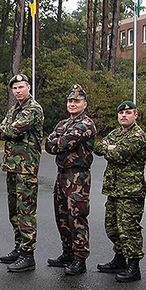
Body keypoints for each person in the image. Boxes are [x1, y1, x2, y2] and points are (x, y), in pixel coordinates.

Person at [93, 101, 146, 282]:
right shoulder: (116, 133)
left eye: (128, 113)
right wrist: (111, 147)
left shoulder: (138, 135)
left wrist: (112, 148)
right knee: (112, 227)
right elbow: (98, 147)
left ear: (135, 115)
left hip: (131, 190)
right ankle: (119, 259)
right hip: (114, 189)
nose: (124, 116)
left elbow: (121, 154)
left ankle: (134, 266)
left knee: (129, 228)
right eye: (121, 113)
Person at [44, 84, 96, 276]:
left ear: (85, 103)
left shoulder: (86, 124)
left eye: (76, 101)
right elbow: (49, 145)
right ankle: (67, 253)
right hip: (62, 174)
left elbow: (65, 142)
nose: (72, 104)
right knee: (62, 216)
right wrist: (58, 142)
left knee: (77, 217)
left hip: (78, 176)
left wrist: (58, 141)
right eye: (70, 101)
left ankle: (80, 258)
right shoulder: (62, 123)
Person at [0, 74, 44, 272]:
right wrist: (7, 129)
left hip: (26, 168)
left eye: (21, 87)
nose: (17, 91)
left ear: (29, 87)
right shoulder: (14, 109)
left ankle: (28, 254)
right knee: (14, 211)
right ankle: (18, 247)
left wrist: (8, 129)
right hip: (12, 167)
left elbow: (12, 131)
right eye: (15, 88)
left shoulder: (33, 109)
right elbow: (0, 131)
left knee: (26, 212)